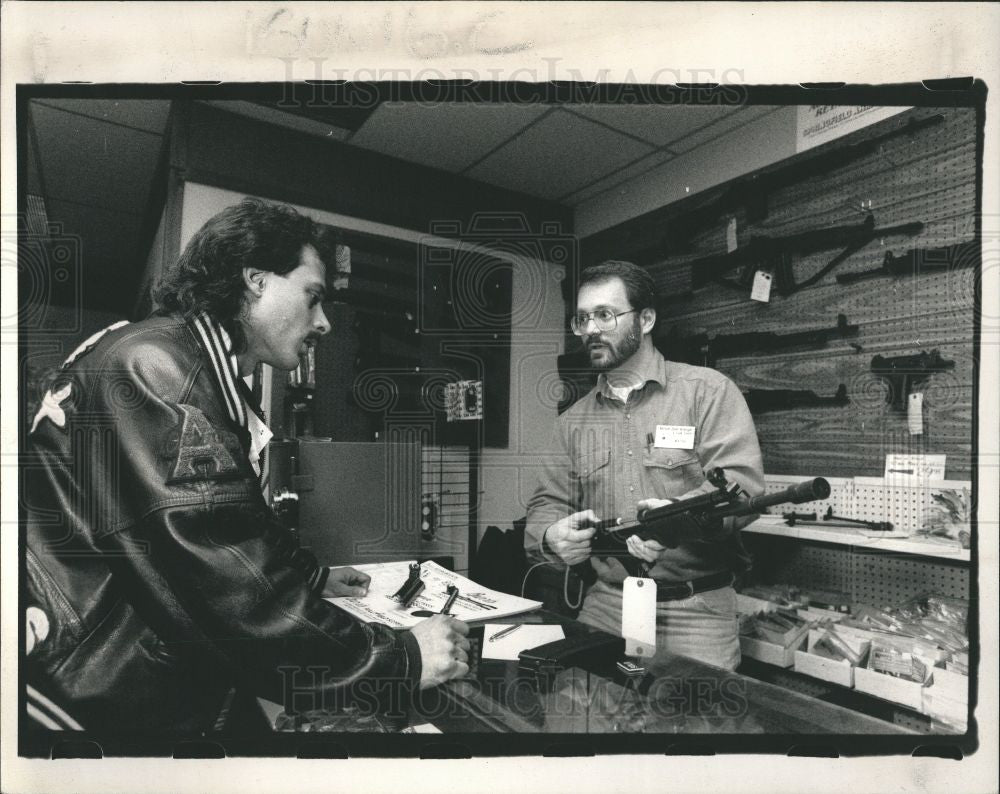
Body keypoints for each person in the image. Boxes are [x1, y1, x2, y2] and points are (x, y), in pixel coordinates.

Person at [23, 198, 470, 734]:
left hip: (114, 661)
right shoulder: (163, 369)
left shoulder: (180, 358)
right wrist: (400, 660)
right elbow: (222, 572)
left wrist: (313, 576)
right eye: (313, 297)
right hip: (91, 688)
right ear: (256, 279)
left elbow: (230, 519)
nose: (323, 322)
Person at [524, 260, 764, 670]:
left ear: (647, 318)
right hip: (609, 605)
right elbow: (547, 503)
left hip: (696, 610)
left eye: (605, 314)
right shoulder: (572, 423)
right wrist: (551, 534)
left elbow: (743, 486)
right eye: (583, 319)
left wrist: (675, 521)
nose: (591, 329)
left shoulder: (707, 392)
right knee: (590, 719)